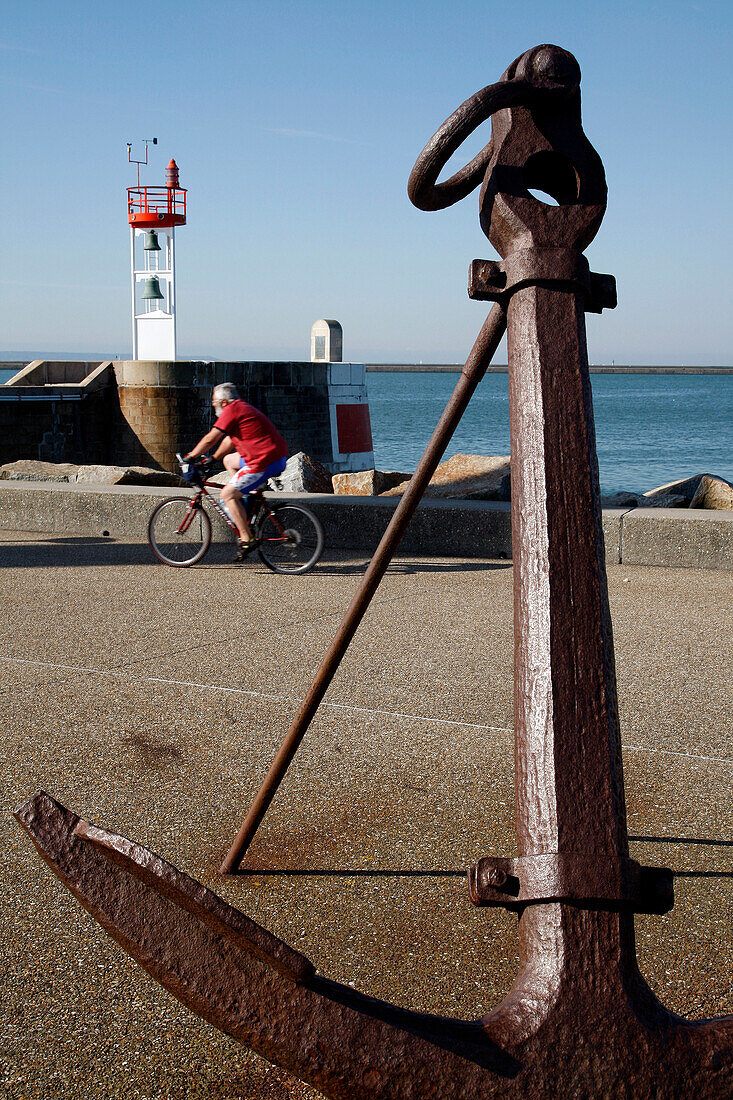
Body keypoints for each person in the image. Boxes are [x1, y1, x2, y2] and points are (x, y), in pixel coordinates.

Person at [185, 383, 288, 561]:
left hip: (263, 461)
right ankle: (246, 498)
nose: (213, 405)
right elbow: (229, 442)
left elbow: (211, 438)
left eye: (214, 402)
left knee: (227, 494)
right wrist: (213, 459)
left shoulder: (232, 411)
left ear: (224, 402)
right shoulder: (241, 408)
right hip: (273, 456)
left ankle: (246, 538)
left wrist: (191, 456)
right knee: (228, 460)